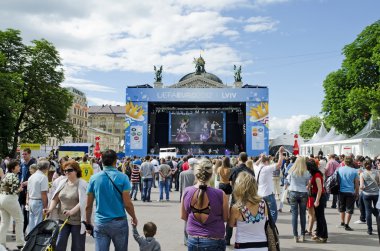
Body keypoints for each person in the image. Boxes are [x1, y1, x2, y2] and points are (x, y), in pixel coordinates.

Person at [86, 150, 138, 251]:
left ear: (101, 161)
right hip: (119, 222)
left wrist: (88, 222)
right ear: (115, 161)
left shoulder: (94, 179)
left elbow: (88, 205)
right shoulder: (123, 177)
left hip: (101, 223)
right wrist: (134, 217)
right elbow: (127, 204)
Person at [181, 158, 228, 250]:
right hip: (215, 239)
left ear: (196, 173)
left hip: (193, 239)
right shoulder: (220, 194)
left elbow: (183, 216)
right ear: (211, 174)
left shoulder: (186, 192)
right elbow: (226, 218)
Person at [44, 160, 88, 251]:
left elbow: (83, 201)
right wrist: (50, 209)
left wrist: (72, 211)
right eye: (65, 170)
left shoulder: (83, 184)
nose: (67, 172)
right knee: (59, 244)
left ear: (76, 170)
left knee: (77, 247)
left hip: (77, 221)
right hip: (62, 219)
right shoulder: (62, 182)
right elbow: (55, 198)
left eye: (69, 170)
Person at [228, 171, 269, 250]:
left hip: (243, 246)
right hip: (262, 245)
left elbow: (231, 224)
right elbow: (264, 220)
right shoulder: (263, 203)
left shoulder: (237, 208)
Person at [253, 147, 285, 223]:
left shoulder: (256, 168)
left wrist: (261, 158)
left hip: (259, 194)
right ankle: (271, 227)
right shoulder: (267, 168)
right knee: (273, 213)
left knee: (261, 213)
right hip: (268, 194)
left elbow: (255, 164)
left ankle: (262, 227)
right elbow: (279, 164)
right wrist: (280, 153)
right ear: (267, 162)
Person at [0, 160, 25, 249]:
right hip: (10, 199)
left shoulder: (5, 175)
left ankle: (1, 243)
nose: (19, 167)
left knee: (4, 222)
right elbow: (13, 190)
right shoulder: (14, 176)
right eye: (18, 166)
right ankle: (20, 243)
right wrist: (20, 189)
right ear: (13, 168)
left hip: (1, 198)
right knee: (19, 220)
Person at [286, 156, 311, 242]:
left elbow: (288, 181)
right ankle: (303, 235)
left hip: (293, 192)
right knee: (303, 214)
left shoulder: (291, 171)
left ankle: (295, 236)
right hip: (303, 192)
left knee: (294, 215)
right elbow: (308, 183)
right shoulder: (307, 172)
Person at [307, 160, 328, 243]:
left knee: (320, 217)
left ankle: (324, 235)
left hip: (319, 197)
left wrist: (317, 201)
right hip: (316, 196)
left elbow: (320, 189)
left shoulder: (317, 175)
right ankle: (319, 234)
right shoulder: (314, 175)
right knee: (318, 217)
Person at [27, 159, 49, 233]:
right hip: (38, 201)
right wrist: (45, 206)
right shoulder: (43, 177)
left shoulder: (31, 177)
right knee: (38, 224)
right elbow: (43, 193)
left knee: (31, 223)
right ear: (46, 168)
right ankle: (35, 241)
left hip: (31, 200)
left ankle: (30, 240)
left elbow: (28, 191)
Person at [337, 156, 359, 231]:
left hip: (341, 191)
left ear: (344, 162)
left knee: (341, 207)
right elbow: (356, 184)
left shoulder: (340, 169)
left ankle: (342, 222)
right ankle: (347, 225)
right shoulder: (354, 171)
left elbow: (337, 181)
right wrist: (357, 193)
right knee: (349, 209)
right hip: (350, 191)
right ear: (352, 162)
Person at [179, 158, 198, 245]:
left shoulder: (183, 173)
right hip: (196, 197)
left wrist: (181, 198)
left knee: (186, 219)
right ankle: (195, 237)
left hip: (185, 197)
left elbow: (180, 186)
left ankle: (186, 239)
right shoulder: (197, 174)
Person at [359, 159, 379, 235]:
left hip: (366, 194)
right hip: (376, 194)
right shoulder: (377, 172)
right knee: (377, 211)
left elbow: (361, 186)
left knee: (368, 211)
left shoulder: (362, 174)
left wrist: (363, 188)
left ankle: (369, 229)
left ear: (364, 166)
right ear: (371, 165)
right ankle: (378, 227)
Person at [19, 148, 37, 233]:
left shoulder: (33, 164)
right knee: (21, 209)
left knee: (26, 211)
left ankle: (25, 230)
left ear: (29, 154)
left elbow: (35, 175)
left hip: (29, 190)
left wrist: (28, 181)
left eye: (25, 154)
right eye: (23, 154)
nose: (23, 156)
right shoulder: (22, 164)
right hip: (22, 189)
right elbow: (20, 175)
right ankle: (21, 230)